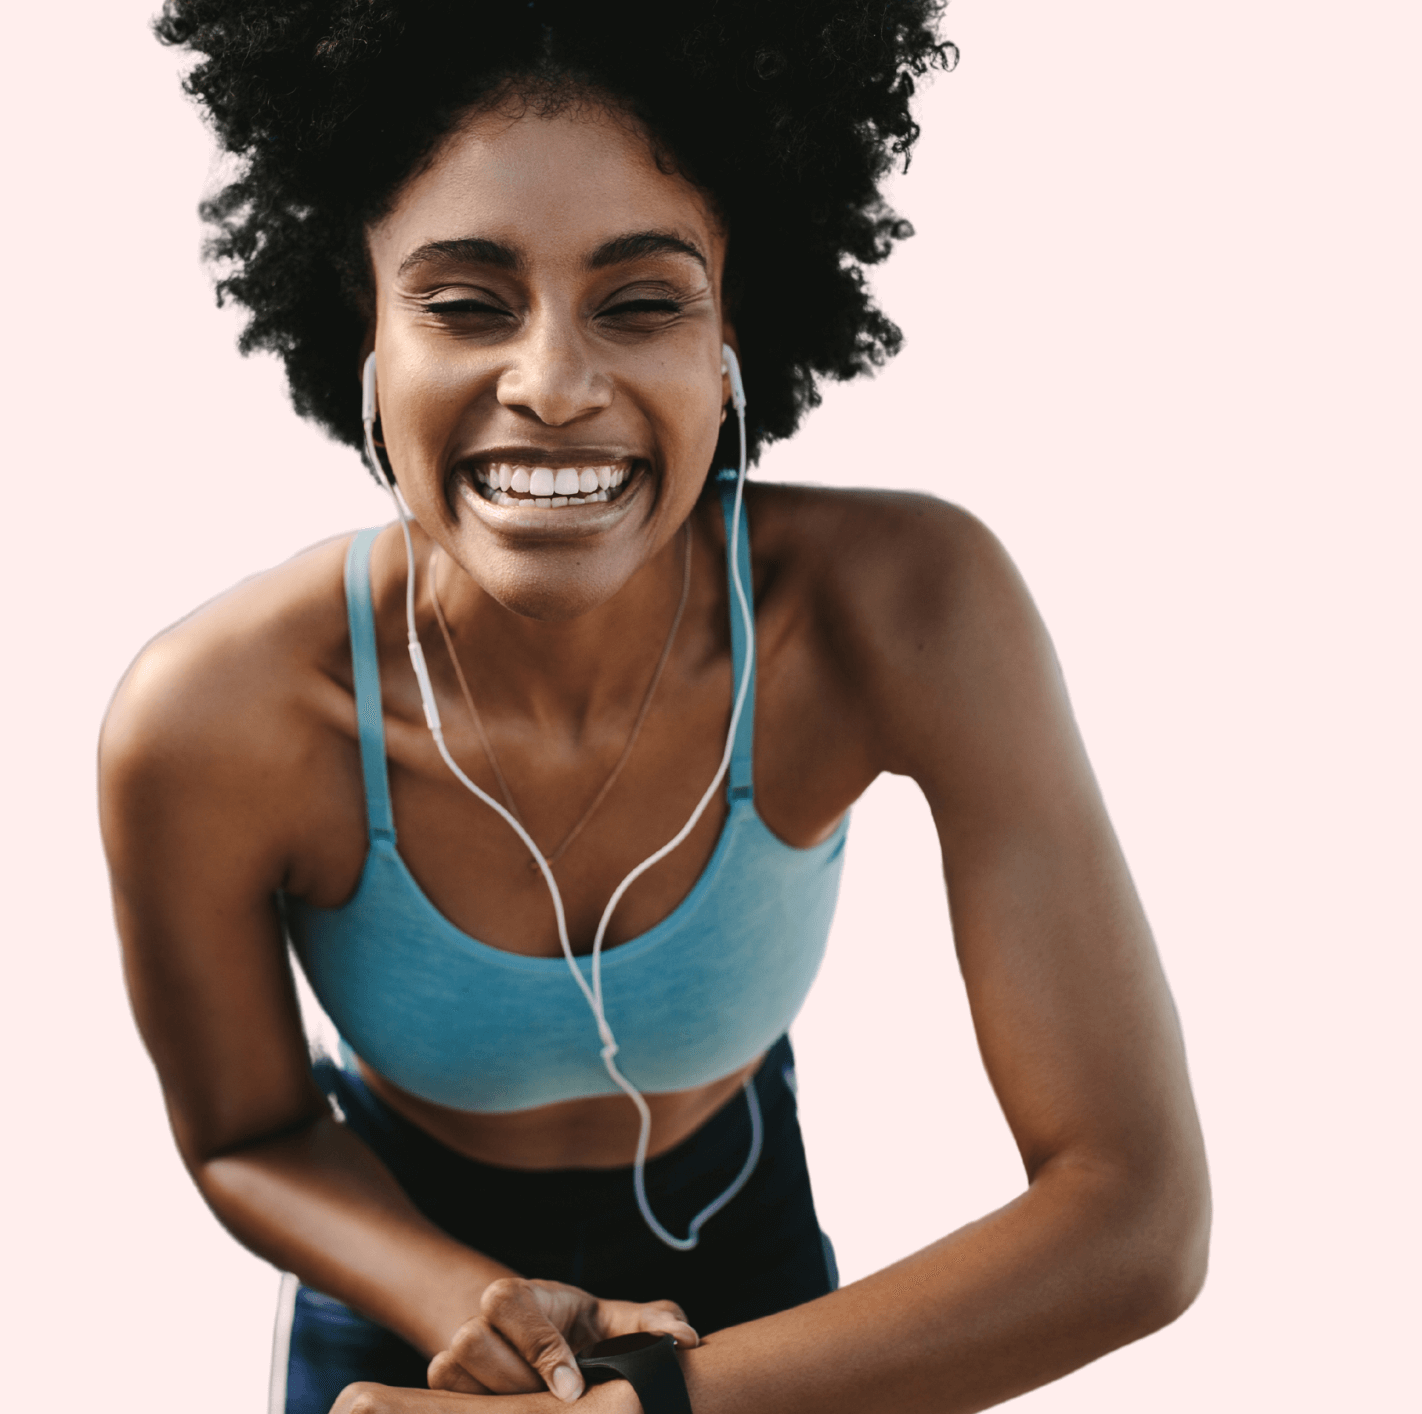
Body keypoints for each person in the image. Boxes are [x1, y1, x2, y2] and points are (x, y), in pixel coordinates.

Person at [98, 3, 1210, 1410]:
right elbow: (246, 1132)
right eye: (462, 300)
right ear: (362, 330)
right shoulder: (213, 719)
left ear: (731, 329)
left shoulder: (908, 612)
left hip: (747, 1262)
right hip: (410, 1292)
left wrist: (656, 1404)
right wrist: (469, 1306)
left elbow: (1136, 1215)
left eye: (641, 301)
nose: (555, 384)